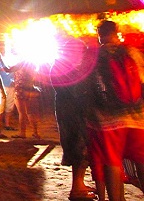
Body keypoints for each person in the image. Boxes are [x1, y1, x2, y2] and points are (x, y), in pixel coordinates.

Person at [87, 20, 144, 201]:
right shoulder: (132, 52)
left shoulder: (94, 56)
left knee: (112, 161)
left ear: (99, 34)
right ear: (116, 32)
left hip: (107, 118)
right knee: (141, 159)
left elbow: (89, 87)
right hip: (137, 115)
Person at [50, 35, 96, 201]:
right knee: (79, 148)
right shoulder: (64, 68)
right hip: (72, 113)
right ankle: (77, 188)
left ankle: (79, 184)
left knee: (80, 148)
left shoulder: (62, 66)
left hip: (69, 110)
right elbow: (74, 91)